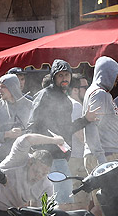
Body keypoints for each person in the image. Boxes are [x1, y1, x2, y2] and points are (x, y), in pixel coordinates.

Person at [27, 59, 97, 205]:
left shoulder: (64, 98)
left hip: (59, 156)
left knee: (52, 199)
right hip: (46, 157)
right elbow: (32, 125)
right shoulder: (45, 95)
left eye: (67, 75)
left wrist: (85, 119)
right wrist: (38, 153)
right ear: (53, 77)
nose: (64, 78)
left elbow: (66, 129)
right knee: (54, 200)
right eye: (60, 75)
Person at [84, 58, 118, 170]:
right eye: (115, 73)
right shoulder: (99, 94)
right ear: (105, 73)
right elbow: (91, 126)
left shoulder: (98, 93)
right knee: (111, 188)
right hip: (107, 155)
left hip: (108, 153)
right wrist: (101, 158)